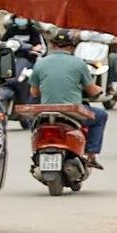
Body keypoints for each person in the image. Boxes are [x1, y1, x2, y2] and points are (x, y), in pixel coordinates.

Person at [27, 26, 107, 167]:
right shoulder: (79, 63)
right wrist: (99, 90)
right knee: (101, 116)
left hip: (46, 111)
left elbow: (34, 92)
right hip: (72, 112)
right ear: (73, 46)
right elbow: (92, 91)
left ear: (52, 45)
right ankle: (91, 154)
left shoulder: (40, 63)